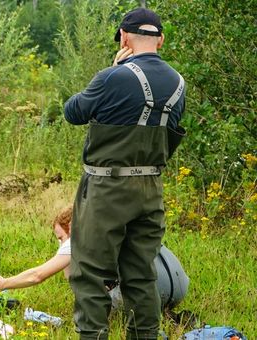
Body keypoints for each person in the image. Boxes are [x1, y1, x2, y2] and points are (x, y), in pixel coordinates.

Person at [63, 8, 187, 339]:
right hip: (150, 190)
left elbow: (73, 112)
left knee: (89, 273)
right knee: (141, 274)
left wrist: (114, 69)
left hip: (106, 189)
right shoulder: (179, 83)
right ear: (161, 39)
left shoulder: (113, 76)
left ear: (123, 36)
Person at [0, 206, 189, 311]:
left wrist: (4, 284)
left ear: (70, 228)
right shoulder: (111, 227)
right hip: (177, 286)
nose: (60, 243)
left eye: (60, 237)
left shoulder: (77, 240)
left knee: (88, 295)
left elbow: (38, 275)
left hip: (153, 293)